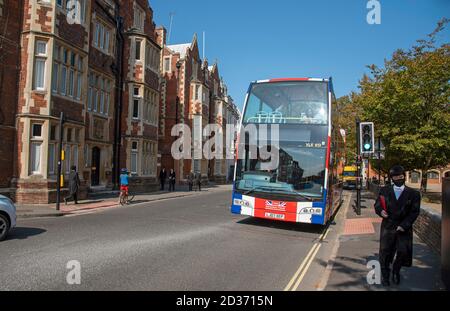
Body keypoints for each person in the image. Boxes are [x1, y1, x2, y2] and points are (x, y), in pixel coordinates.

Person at [374, 165, 421, 286]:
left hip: (403, 228)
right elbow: (377, 205)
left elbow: (414, 212)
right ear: (392, 178)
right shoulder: (384, 190)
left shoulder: (414, 193)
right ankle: (385, 276)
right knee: (385, 253)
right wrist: (380, 211)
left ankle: (396, 271)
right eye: (396, 176)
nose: (399, 178)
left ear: (404, 176)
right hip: (388, 226)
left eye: (401, 176)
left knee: (402, 252)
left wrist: (404, 225)